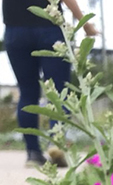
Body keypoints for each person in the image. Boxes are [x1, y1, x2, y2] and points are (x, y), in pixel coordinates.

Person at [2, 0, 98, 166]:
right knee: (59, 89)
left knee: (27, 93)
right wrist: (85, 24)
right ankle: (57, 141)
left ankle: (32, 153)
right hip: (49, 28)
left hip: (15, 31)